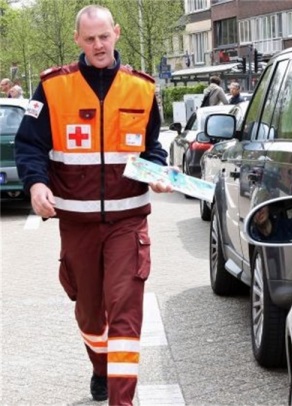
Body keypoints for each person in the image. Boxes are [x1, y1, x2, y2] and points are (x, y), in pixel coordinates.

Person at [14, 5, 173, 405]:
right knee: (89, 314)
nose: (98, 45)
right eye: (90, 39)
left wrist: (158, 172)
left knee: (124, 311)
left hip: (128, 219)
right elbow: (30, 144)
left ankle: (123, 399)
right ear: (77, 41)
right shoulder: (53, 87)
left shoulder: (143, 88)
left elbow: (153, 147)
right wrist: (36, 185)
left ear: (117, 33)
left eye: (104, 36)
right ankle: (101, 366)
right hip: (77, 222)